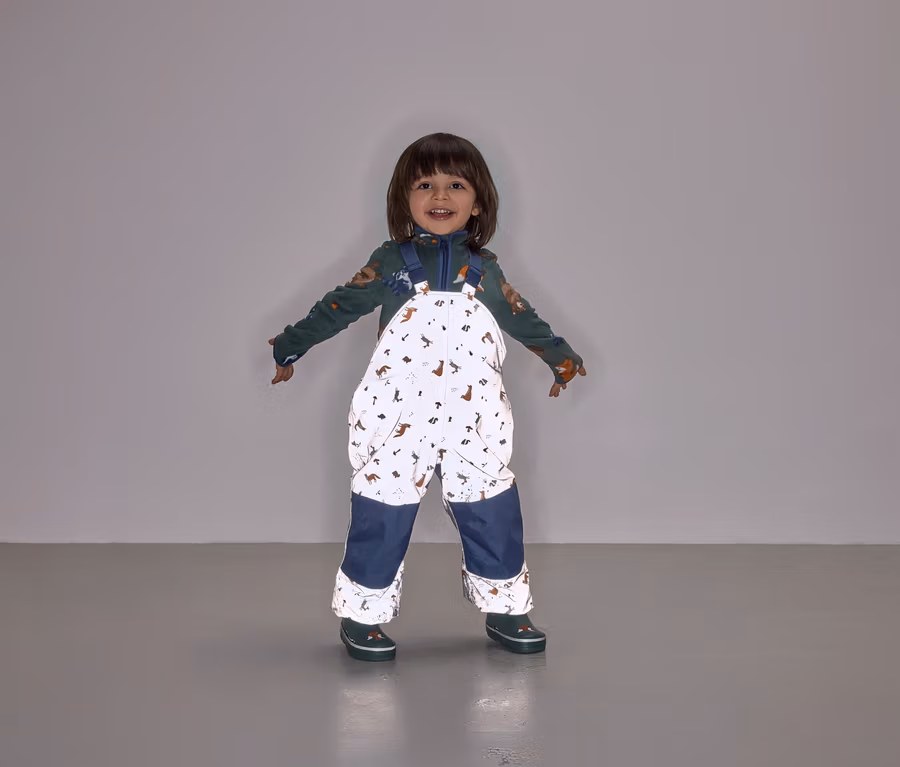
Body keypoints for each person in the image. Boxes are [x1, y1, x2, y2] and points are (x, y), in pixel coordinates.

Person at [269, 133, 586, 661]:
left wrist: (560, 357)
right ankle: (362, 615)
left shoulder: (486, 272)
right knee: (383, 507)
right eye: (424, 185)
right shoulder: (390, 264)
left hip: (474, 414)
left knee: (491, 506)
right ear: (405, 199)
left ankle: (506, 607)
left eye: (455, 185)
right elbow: (338, 306)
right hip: (399, 413)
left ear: (478, 202)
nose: (440, 195)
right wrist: (290, 344)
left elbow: (522, 319)